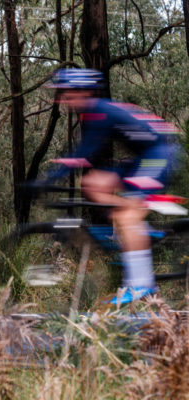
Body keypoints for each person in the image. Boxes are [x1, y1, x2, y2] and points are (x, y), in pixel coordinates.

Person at [43, 68, 180, 305]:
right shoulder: (90, 112)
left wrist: (49, 177)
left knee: (126, 215)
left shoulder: (98, 111)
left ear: (83, 91)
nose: (63, 100)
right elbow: (84, 154)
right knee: (92, 182)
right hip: (143, 157)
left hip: (159, 156)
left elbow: (84, 154)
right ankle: (136, 223)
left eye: (66, 93)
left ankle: (141, 285)